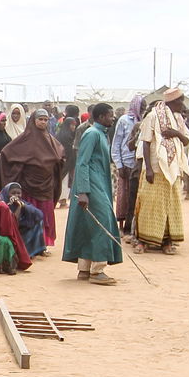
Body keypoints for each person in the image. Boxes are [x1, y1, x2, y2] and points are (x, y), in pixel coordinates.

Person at [62, 103, 122, 285]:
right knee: (102, 222)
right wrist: (83, 192)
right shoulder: (92, 134)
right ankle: (97, 270)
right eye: (110, 115)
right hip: (91, 186)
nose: (113, 118)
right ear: (102, 117)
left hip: (99, 183)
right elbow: (82, 163)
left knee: (89, 224)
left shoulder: (101, 134)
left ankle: (84, 269)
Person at [0, 108, 65, 251]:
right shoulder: (25, 138)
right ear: (34, 120)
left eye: (45, 120)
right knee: (30, 213)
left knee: (46, 213)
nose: (43, 122)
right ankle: (30, 244)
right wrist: (0, 157)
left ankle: (43, 244)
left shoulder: (50, 139)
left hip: (46, 183)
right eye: (40, 119)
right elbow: (9, 151)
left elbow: (59, 153)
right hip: (29, 183)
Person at [133, 88, 189, 254]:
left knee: (170, 206)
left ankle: (167, 241)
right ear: (173, 102)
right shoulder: (152, 116)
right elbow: (145, 142)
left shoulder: (179, 120)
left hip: (173, 171)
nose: (183, 105)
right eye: (181, 101)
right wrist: (149, 168)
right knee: (150, 205)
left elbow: (186, 141)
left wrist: (176, 134)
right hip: (156, 169)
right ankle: (143, 241)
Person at [111, 95, 143, 237]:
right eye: (142, 106)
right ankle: (122, 225)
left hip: (139, 162)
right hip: (126, 162)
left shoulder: (145, 121)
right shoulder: (124, 120)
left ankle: (135, 226)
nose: (143, 109)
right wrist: (119, 164)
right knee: (124, 195)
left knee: (136, 196)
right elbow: (116, 143)